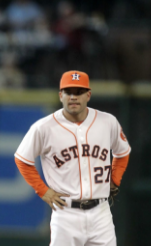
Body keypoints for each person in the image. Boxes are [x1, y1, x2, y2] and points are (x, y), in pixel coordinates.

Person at [14, 70, 130, 246]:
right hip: (66, 213)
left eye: (79, 92)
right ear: (61, 95)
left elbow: (122, 152)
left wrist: (115, 178)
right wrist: (43, 190)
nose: (73, 97)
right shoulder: (44, 127)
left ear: (88, 95)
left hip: (101, 212)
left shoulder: (108, 122)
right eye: (69, 92)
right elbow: (22, 159)